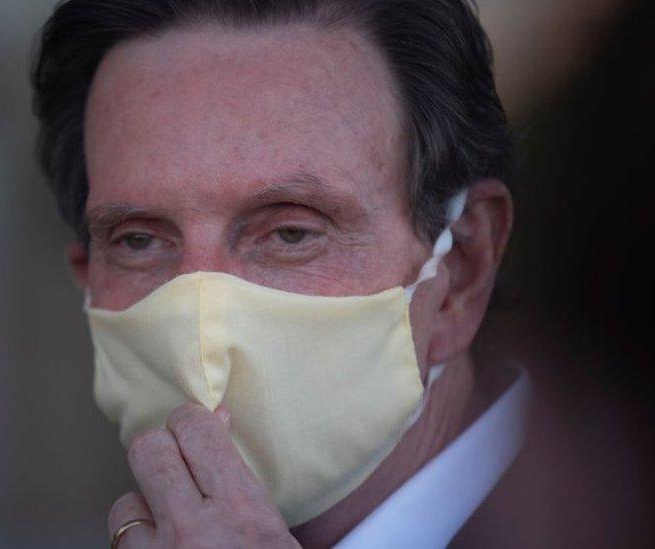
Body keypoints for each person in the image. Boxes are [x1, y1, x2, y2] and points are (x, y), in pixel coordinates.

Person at [31, 0, 527, 546]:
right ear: (87, 280)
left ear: (461, 271)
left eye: (291, 233)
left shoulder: (603, 510)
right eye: (139, 240)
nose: (202, 329)